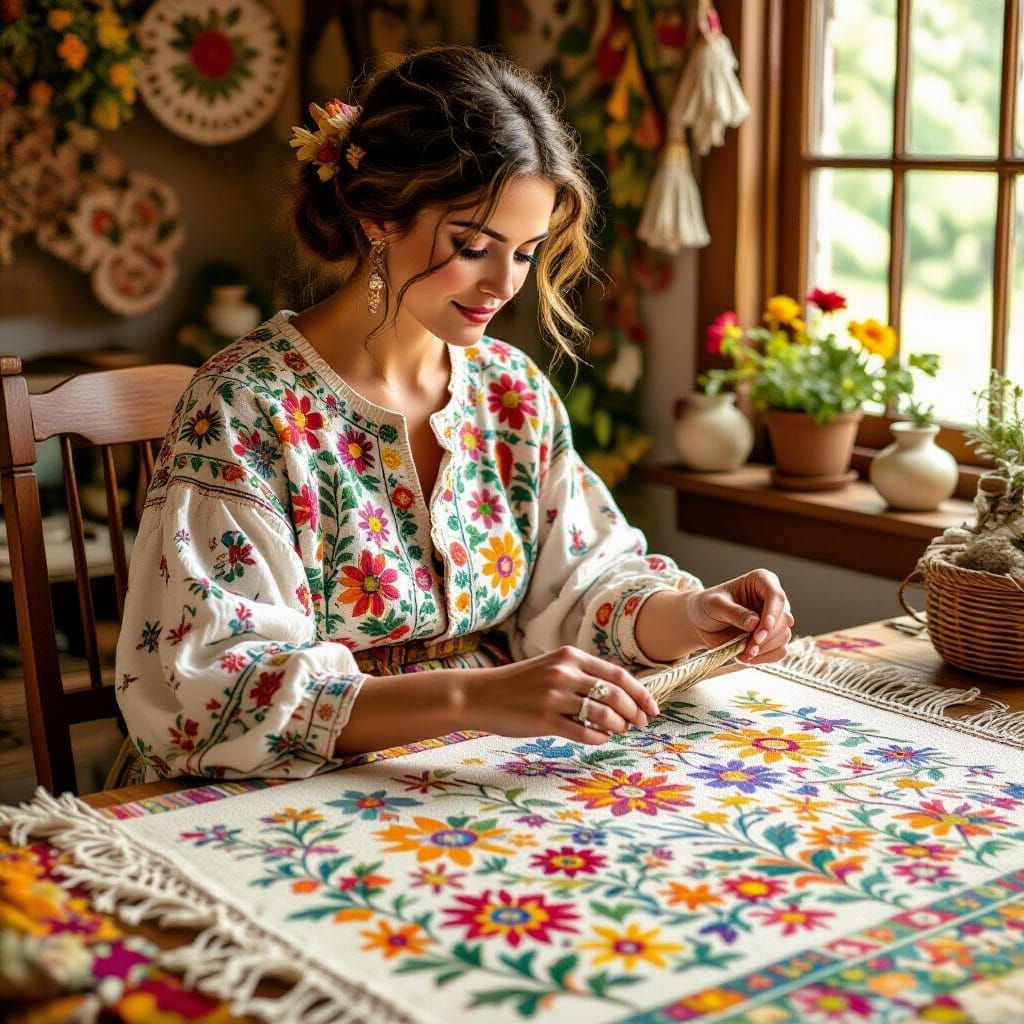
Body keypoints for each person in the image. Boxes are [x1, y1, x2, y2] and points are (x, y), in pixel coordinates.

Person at [114, 45, 793, 782]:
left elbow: (586, 586)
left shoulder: (511, 393)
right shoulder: (246, 405)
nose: (504, 284)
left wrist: (691, 617)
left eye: (528, 253)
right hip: (286, 787)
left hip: (484, 769)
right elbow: (214, 689)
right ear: (377, 216)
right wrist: (472, 694)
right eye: (474, 246)